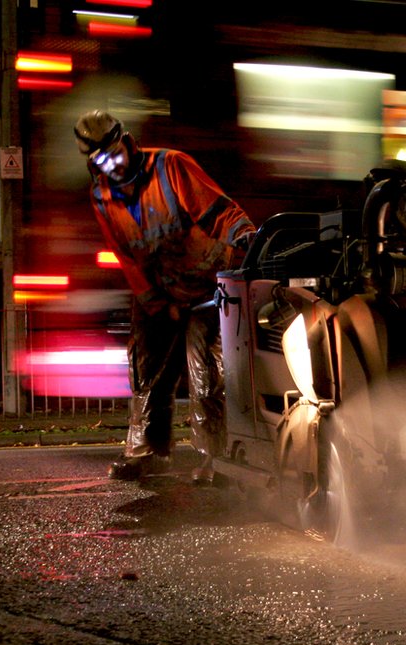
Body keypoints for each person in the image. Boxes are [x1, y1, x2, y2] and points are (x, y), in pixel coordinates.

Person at [73, 110, 255, 484]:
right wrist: (154, 301)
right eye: (103, 161)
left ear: (127, 140)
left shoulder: (171, 166)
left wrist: (244, 236)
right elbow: (125, 253)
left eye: (117, 152)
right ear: (94, 166)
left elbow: (218, 209)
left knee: (207, 376)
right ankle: (147, 451)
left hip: (206, 284)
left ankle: (214, 458)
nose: (115, 164)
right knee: (147, 373)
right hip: (158, 289)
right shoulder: (102, 196)